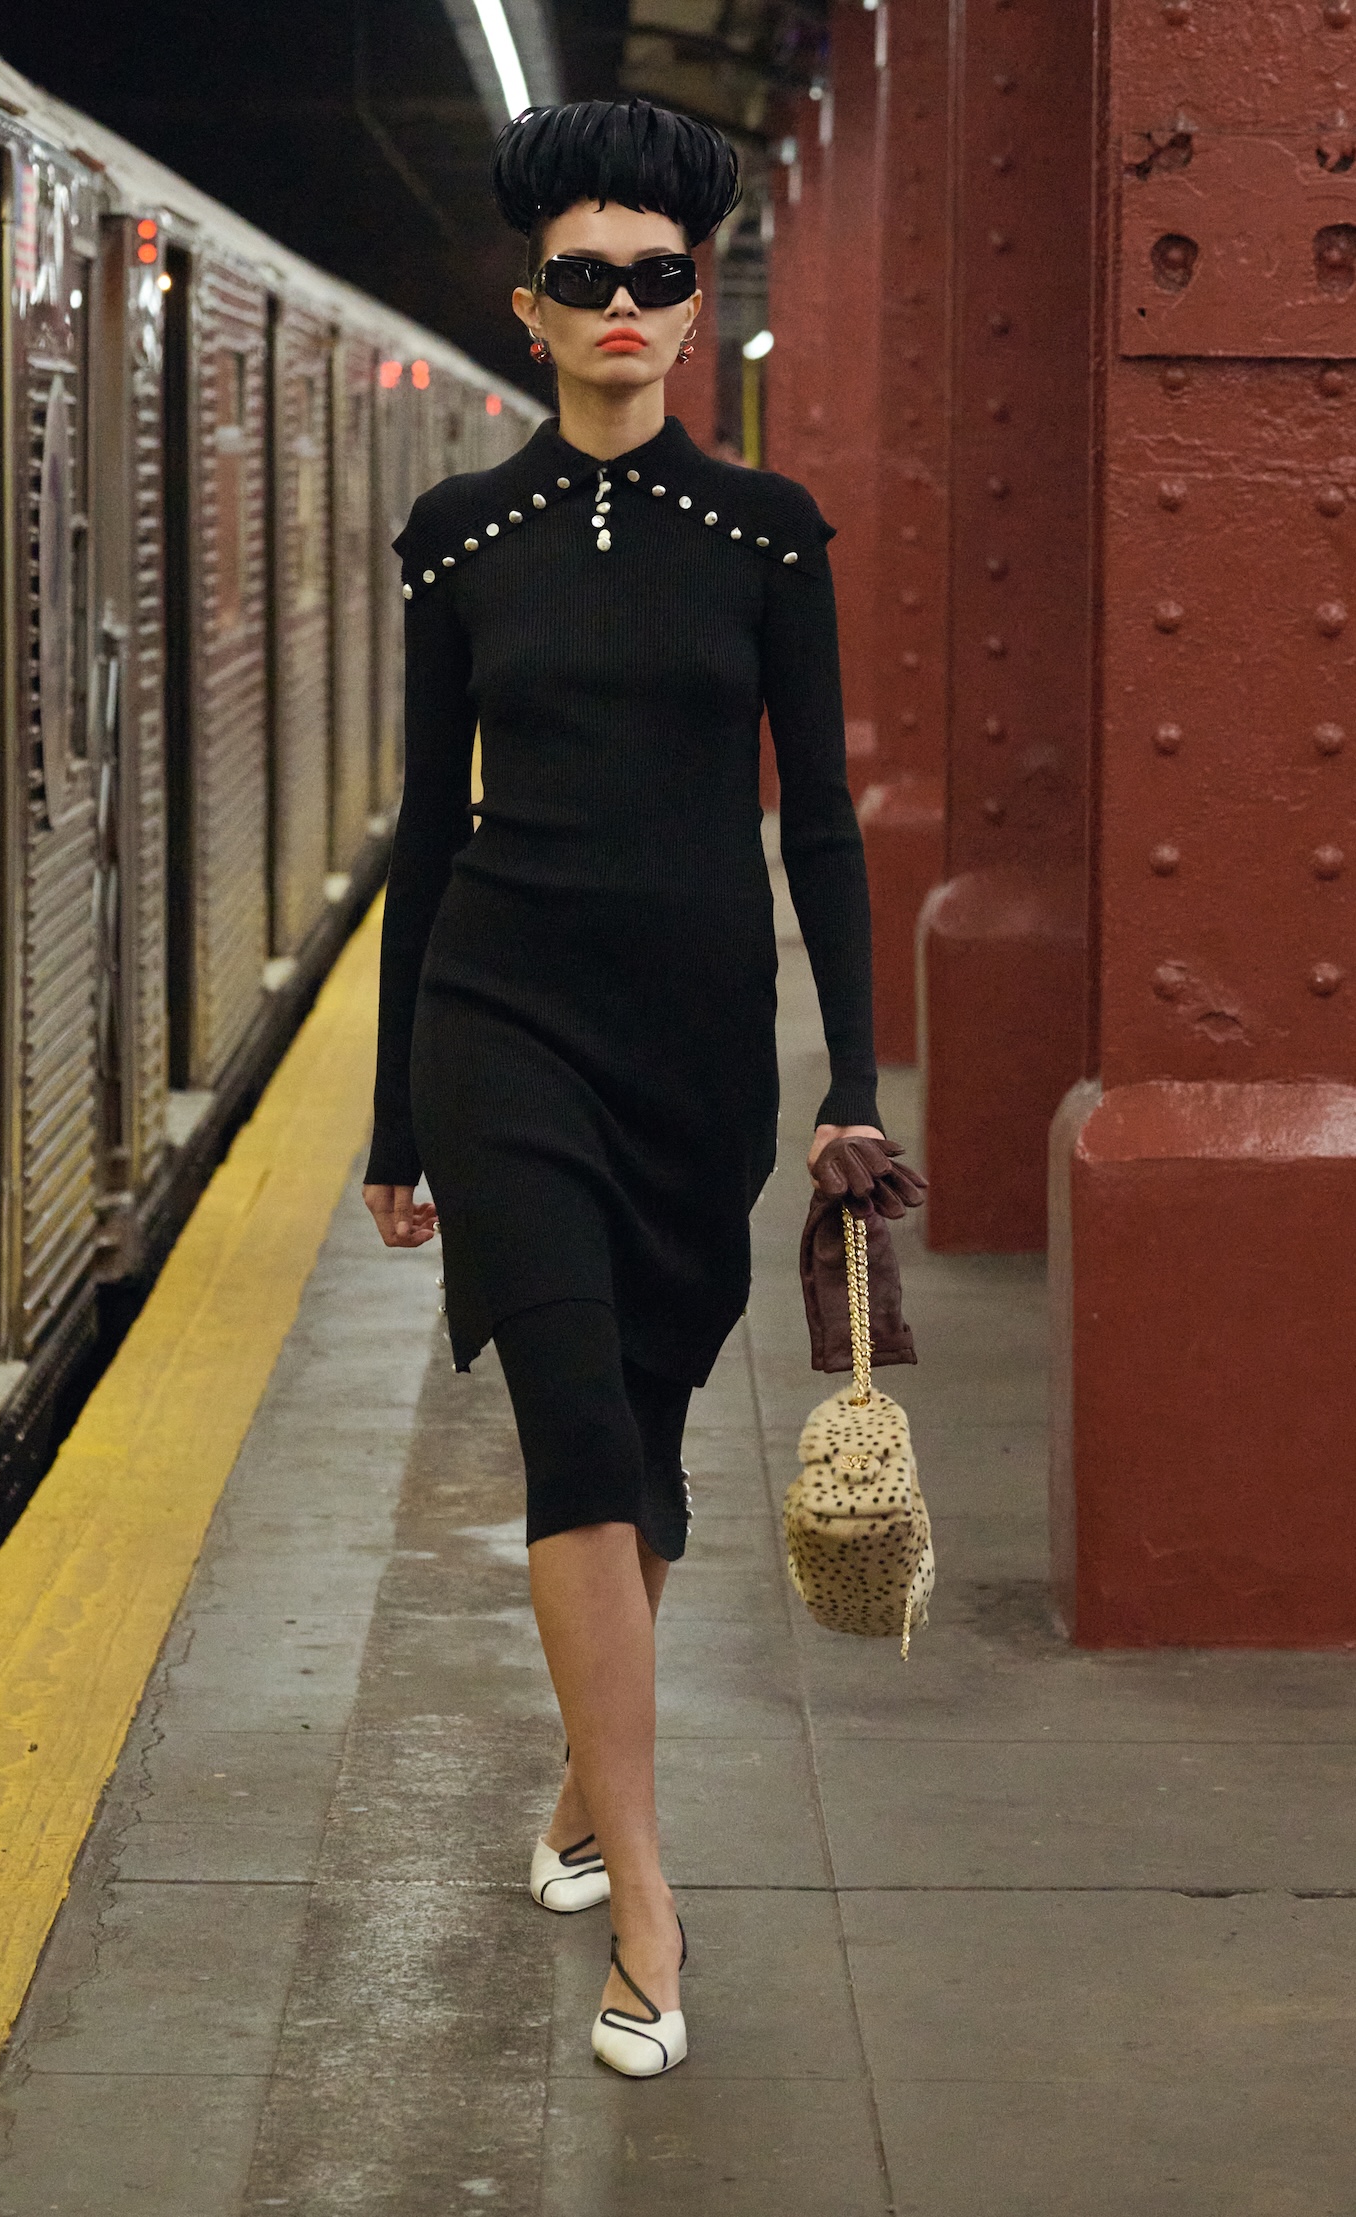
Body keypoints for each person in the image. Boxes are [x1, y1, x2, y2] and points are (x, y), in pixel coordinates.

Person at [362, 97, 883, 2078]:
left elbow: (819, 825)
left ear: (692, 305)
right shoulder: (457, 537)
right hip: (501, 1021)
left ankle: (593, 1786)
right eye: (583, 275)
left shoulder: (768, 536)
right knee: (574, 1422)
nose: (622, 306)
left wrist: (850, 1077)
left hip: (695, 1041)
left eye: (657, 276)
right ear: (532, 306)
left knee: (646, 1446)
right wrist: (395, 1119)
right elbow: (428, 829)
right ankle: (650, 1901)